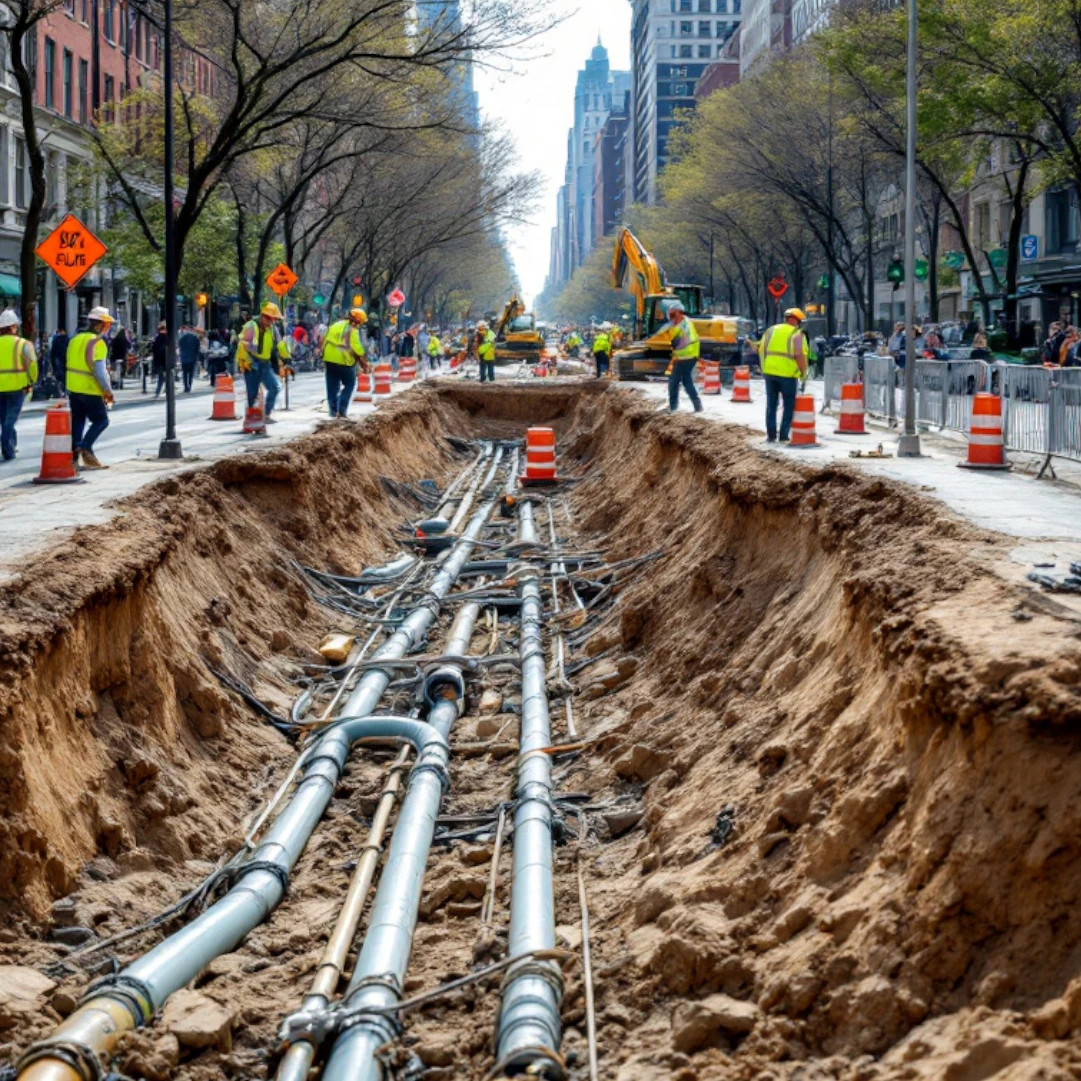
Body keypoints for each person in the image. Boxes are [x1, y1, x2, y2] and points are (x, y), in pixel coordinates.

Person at [66, 306, 115, 469]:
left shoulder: (74, 340)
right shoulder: (98, 343)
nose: (108, 328)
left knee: (78, 420)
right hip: (90, 388)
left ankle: (74, 455)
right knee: (101, 420)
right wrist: (107, 391)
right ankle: (86, 448)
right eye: (107, 324)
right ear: (100, 325)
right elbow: (99, 371)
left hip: (73, 388)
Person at [758, 307, 808, 443]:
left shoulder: (771, 330)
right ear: (795, 320)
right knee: (789, 405)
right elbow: (799, 355)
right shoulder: (797, 334)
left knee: (771, 404)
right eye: (799, 321)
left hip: (770, 372)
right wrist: (803, 373)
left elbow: (761, 350)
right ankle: (784, 435)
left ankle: (771, 434)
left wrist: (764, 369)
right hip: (788, 374)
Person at [237, 302, 290, 422]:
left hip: (265, 364)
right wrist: (246, 362)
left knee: (275, 387)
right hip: (251, 363)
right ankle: (252, 419)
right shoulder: (251, 326)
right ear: (264, 316)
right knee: (252, 394)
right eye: (271, 319)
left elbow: (280, 344)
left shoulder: (272, 329)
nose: (273, 322)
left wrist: (287, 359)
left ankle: (266, 414)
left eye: (274, 320)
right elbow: (243, 346)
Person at [0, 309, 38, 461]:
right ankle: (7, 446)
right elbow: (32, 365)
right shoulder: (23, 344)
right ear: (13, 327)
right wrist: (32, 381)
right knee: (10, 419)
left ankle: (11, 444)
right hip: (17, 387)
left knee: (4, 419)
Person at [322, 308, 371, 419]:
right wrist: (364, 364)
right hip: (343, 360)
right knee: (349, 384)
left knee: (332, 387)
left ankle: (333, 413)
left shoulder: (335, 325)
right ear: (357, 321)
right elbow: (357, 348)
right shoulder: (352, 330)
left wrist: (323, 356)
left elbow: (324, 340)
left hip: (329, 359)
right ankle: (342, 410)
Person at [660, 300, 702, 413]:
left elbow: (685, 340)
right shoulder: (679, 324)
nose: (670, 316)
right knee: (677, 381)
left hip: (687, 356)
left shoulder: (685, 326)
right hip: (681, 357)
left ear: (679, 313)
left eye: (673, 314)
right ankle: (686, 406)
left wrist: (676, 342)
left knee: (682, 381)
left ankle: (694, 405)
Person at [178, 324, 200, 392]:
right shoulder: (195, 338)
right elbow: (197, 349)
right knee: (191, 373)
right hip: (192, 358)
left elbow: (180, 347)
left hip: (184, 358)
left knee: (184, 373)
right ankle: (189, 385)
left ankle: (185, 386)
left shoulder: (182, 338)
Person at [151, 321, 169, 397]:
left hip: (159, 361)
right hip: (165, 360)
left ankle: (158, 391)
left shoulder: (157, 338)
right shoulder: (166, 338)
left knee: (161, 377)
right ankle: (164, 390)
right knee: (164, 377)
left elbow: (154, 349)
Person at [49, 327, 68, 392]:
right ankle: (64, 390)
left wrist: (52, 361)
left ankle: (60, 390)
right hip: (64, 359)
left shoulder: (56, 339)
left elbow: (53, 351)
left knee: (59, 376)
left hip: (58, 358)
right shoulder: (68, 339)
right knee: (64, 376)